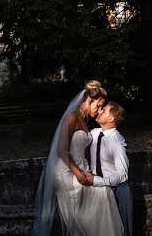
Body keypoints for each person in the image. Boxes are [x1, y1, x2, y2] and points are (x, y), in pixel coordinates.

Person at [32, 81, 124, 236]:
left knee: (105, 192)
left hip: (80, 168)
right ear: (89, 100)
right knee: (102, 194)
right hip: (67, 171)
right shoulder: (72, 117)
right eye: (99, 105)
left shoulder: (84, 119)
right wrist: (78, 173)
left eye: (102, 107)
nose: (99, 110)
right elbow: (61, 149)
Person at [87, 102, 132, 236]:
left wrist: (99, 181)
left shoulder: (117, 142)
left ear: (111, 119)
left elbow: (123, 174)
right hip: (92, 182)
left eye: (104, 110)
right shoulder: (94, 133)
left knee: (125, 190)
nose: (99, 111)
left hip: (111, 184)